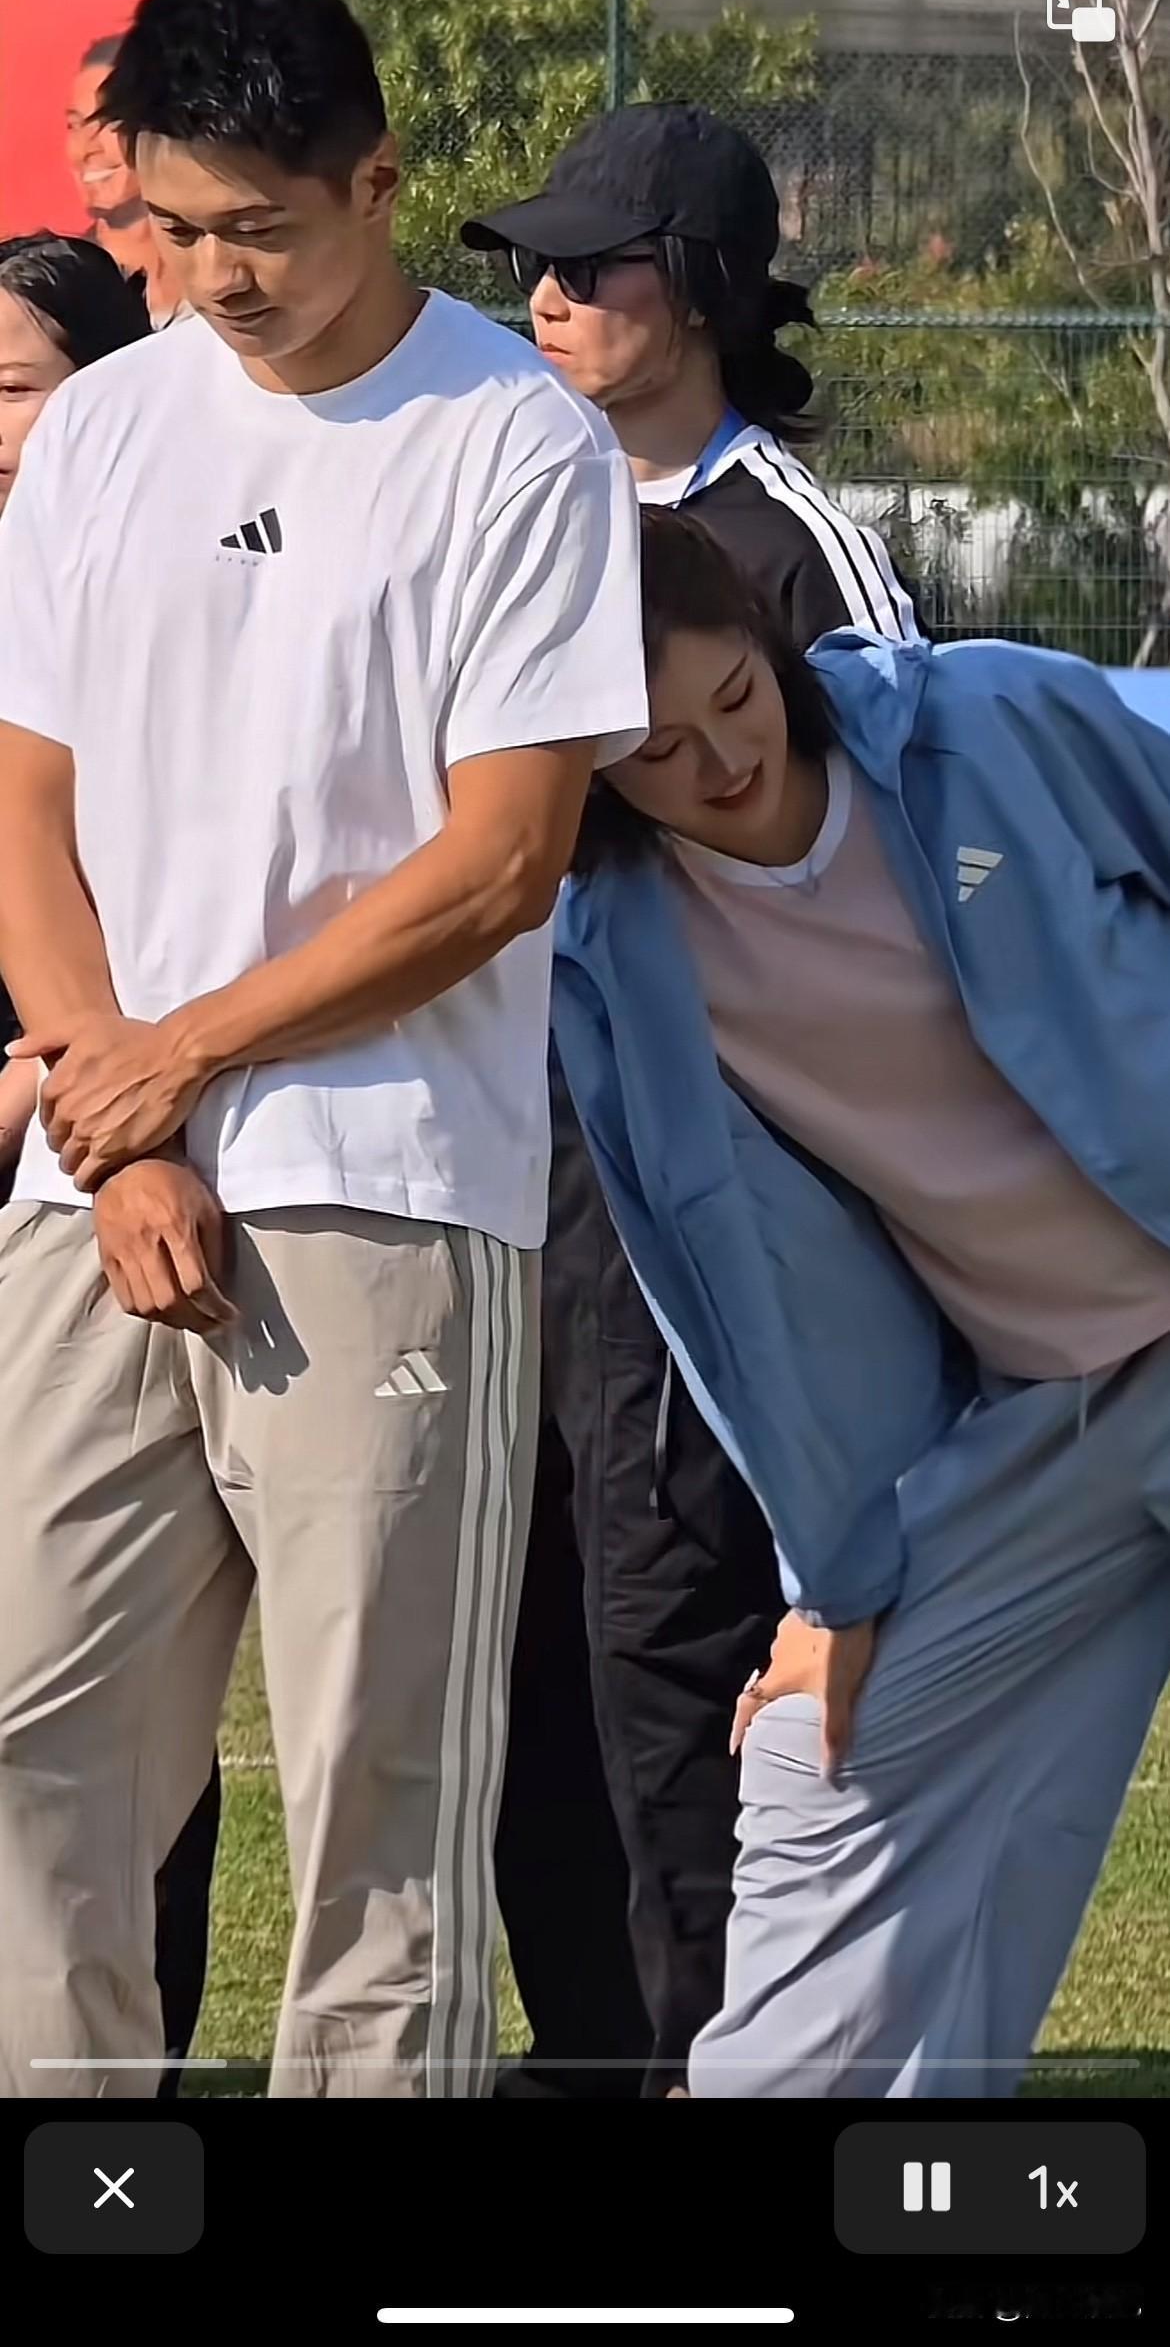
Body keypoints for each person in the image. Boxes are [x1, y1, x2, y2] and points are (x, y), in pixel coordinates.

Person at [0, 0, 646, 2102]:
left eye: (260, 228)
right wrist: (123, 1117)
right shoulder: (106, 426)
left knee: (384, 1806)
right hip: (92, 1198)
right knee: (28, 1746)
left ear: (376, 181)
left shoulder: (519, 443)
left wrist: (181, 1058)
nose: (215, 275)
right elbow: (25, 808)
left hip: (389, 1196)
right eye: (175, 227)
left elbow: (503, 863)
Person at [553, 506, 1170, 2099]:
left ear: (770, 651)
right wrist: (833, 1578)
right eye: (657, 751)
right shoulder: (608, 955)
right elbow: (721, 1293)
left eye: (735, 698)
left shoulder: (980, 721)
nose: (721, 762)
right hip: (1046, 1412)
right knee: (818, 1762)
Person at [462, 103, 919, 2097]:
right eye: (534, 266)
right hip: (504, 1182)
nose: (549, 296)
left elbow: (893, 887)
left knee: (672, 1671)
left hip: (701, 1212)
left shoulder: (794, 547)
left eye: (597, 263)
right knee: (514, 1663)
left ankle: (720, 2068)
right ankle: (590, 2055)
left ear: (711, 290)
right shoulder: (510, 510)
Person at [0, 230, 219, 2093]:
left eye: (13, 387)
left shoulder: (178, 571)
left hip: (131, 1159)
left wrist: (61, 1087)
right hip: (75, 1172)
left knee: (140, 1709)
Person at [65, 36, 185, 327]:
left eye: (109, 122)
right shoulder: (60, 289)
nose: (85, 148)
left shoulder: (216, 271)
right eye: (75, 125)